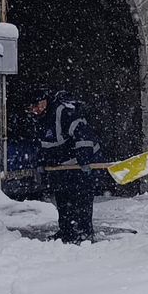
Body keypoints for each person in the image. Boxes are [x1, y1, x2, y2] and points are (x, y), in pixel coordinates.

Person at [28, 89, 101, 244]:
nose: (35, 110)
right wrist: (41, 162)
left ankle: (84, 233)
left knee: (81, 198)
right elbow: (41, 144)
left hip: (81, 163)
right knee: (63, 198)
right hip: (61, 166)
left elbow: (83, 134)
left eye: (37, 105)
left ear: (45, 101)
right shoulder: (38, 120)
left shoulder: (64, 112)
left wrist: (84, 158)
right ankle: (66, 231)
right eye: (31, 107)